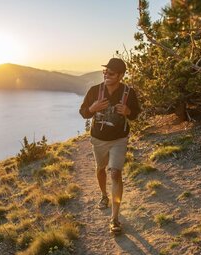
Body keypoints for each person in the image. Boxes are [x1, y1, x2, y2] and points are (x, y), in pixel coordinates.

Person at [79, 58, 140, 233]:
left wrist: (128, 111)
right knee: (100, 169)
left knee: (115, 173)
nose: (106, 74)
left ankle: (114, 219)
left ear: (120, 75)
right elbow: (83, 113)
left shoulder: (129, 92)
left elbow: (135, 114)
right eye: (105, 71)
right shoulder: (94, 91)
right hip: (98, 139)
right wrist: (92, 108)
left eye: (111, 73)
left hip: (119, 139)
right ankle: (104, 196)